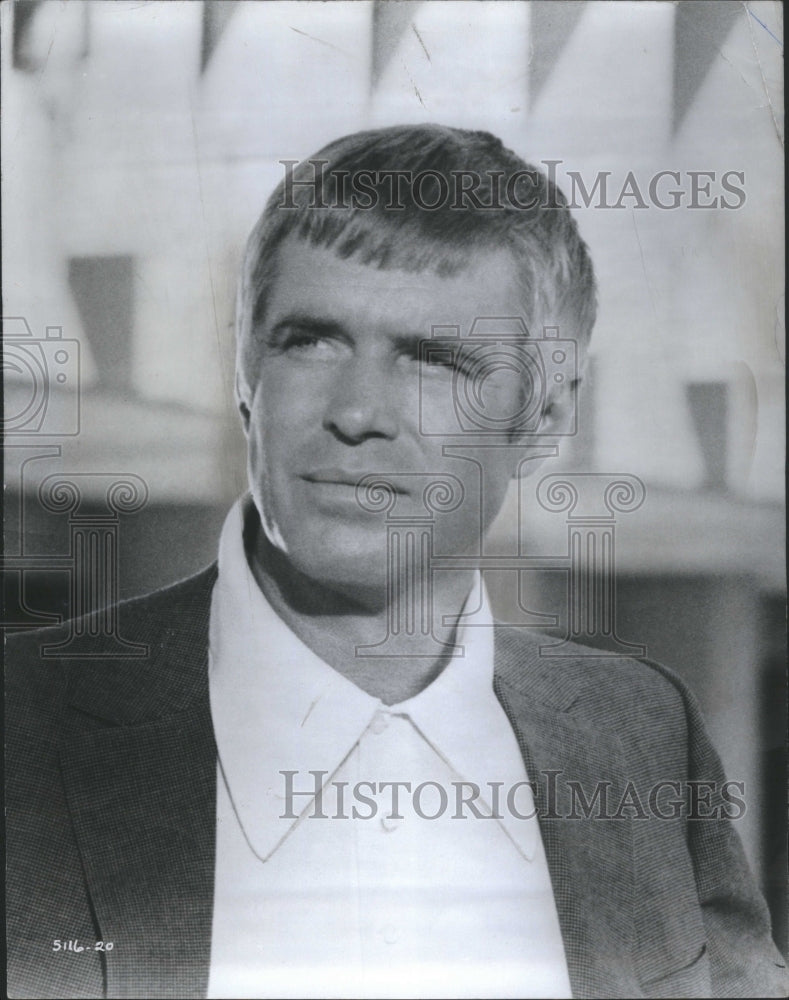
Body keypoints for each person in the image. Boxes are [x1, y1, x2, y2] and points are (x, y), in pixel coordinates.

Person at [6, 124, 786, 1000]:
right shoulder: (20, 724)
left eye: (435, 359)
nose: (357, 412)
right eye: (310, 340)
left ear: (546, 415)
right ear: (242, 370)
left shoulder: (644, 733)